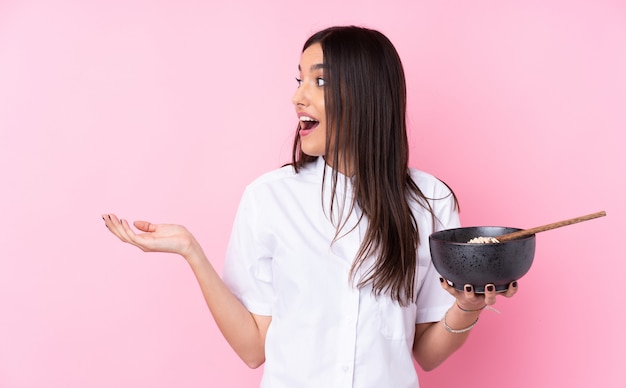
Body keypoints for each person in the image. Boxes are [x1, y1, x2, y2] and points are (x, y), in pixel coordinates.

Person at [102, 25, 517, 388]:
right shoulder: (268, 198)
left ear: (367, 95)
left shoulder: (430, 202)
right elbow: (252, 349)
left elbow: (426, 353)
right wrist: (191, 251)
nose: (297, 96)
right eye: (300, 80)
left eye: (318, 82)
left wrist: (468, 306)